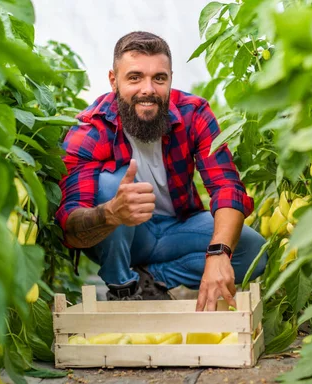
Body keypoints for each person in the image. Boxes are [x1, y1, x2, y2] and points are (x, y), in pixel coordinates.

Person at [56, 31, 267, 311]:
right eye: (135, 77)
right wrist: (111, 213)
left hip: (176, 228)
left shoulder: (193, 113)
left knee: (253, 252)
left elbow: (226, 187)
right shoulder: (90, 130)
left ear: (170, 79)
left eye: (159, 78)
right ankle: (123, 286)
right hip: (124, 236)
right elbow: (70, 227)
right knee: (110, 184)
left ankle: (151, 280)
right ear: (113, 81)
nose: (148, 89)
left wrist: (219, 253)